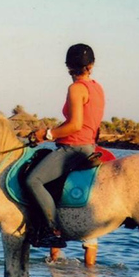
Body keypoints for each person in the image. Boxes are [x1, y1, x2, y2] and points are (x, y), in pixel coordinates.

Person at [27, 43, 105, 248]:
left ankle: (52, 230)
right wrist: (47, 136)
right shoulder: (96, 88)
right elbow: (86, 123)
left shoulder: (76, 89)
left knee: (33, 180)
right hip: (89, 145)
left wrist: (48, 133)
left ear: (68, 66)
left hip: (74, 149)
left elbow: (76, 125)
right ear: (92, 65)